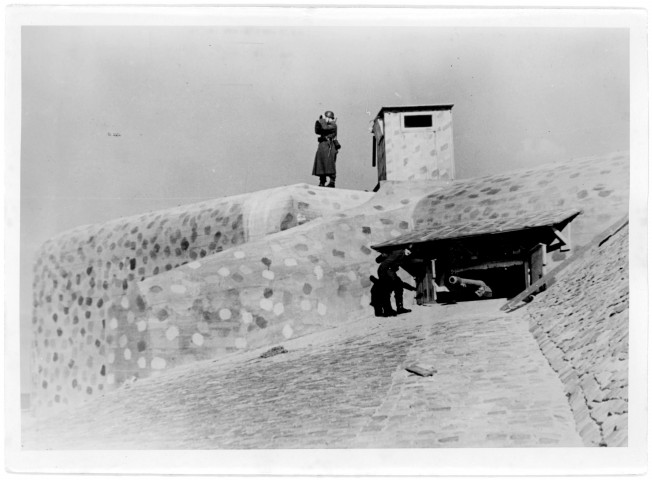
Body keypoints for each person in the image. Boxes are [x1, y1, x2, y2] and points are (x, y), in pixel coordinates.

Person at [375, 245, 415, 316]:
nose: (409, 252)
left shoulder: (403, 254)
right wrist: (385, 277)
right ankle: (388, 310)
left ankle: (400, 308)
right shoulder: (398, 253)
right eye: (408, 250)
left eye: (411, 251)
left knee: (399, 287)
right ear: (405, 248)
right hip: (385, 271)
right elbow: (386, 264)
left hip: (390, 271)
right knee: (387, 290)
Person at [312, 110, 341, 187]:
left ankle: (332, 182)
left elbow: (325, 128)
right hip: (323, 145)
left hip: (329, 146)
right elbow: (317, 131)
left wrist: (322, 120)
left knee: (329, 164)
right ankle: (322, 181)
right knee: (321, 163)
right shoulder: (326, 124)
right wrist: (318, 121)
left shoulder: (333, 125)